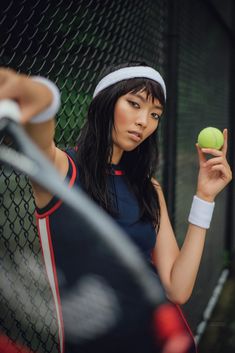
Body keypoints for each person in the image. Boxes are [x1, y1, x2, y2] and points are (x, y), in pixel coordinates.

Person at [0, 62, 232, 352]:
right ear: (105, 103)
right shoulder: (62, 172)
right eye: (134, 104)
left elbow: (178, 287)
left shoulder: (148, 188)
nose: (143, 121)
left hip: (162, 340)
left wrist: (204, 198)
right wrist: (40, 95)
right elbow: (39, 132)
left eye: (154, 115)